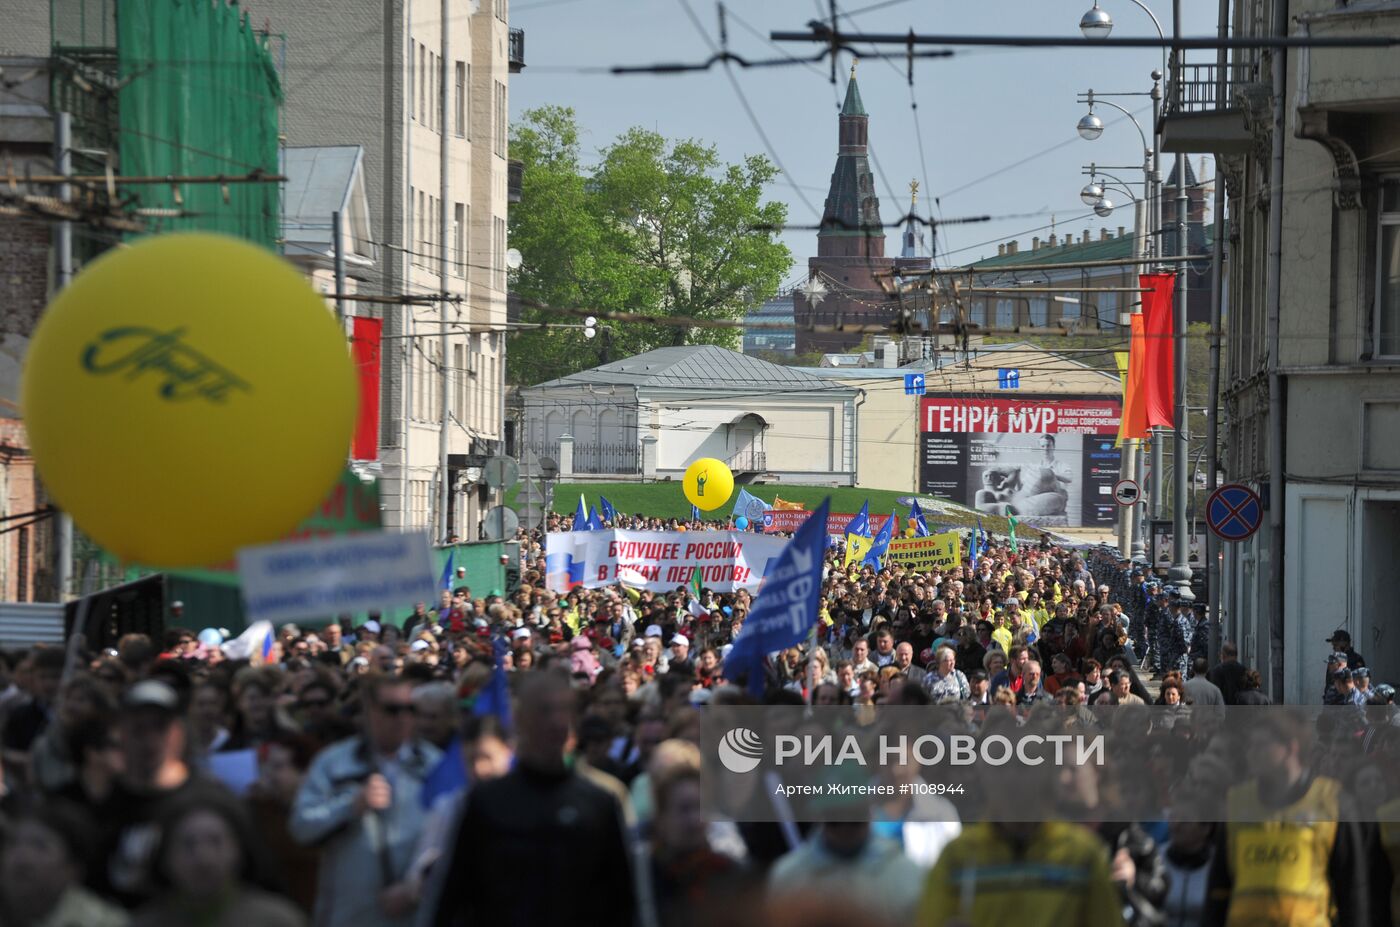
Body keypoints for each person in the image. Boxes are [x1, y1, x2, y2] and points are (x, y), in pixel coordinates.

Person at [430, 671, 634, 926]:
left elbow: (623, 904)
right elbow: (452, 898)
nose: (555, 721)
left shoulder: (600, 803)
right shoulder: (485, 802)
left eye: (563, 711)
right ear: (520, 720)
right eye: (544, 710)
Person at [290, 674, 441, 927]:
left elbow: (453, 840)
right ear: (371, 711)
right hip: (350, 915)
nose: (403, 718)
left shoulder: (435, 765)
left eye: (411, 709)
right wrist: (351, 805)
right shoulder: (334, 762)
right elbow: (301, 827)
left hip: (416, 914)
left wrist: (416, 886)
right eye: (392, 709)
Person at [1203, 710, 1380, 926]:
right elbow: (1220, 886)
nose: (1250, 753)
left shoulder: (1333, 803)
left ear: (1290, 748)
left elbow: (1352, 889)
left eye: (1261, 745)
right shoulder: (1237, 803)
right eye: (1250, 745)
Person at [134, 792, 304, 927]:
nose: (203, 858)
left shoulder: (278, 921)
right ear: (165, 857)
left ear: (238, 849)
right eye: (188, 844)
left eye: (216, 842)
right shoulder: (144, 923)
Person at [917, 821, 1125, 925]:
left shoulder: (1084, 855)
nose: (1015, 779)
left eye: (1026, 765)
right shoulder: (958, 855)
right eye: (1002, 766)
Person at [0, 802, 128, 927]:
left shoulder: (104, 922)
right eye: (12, 843)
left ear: (73, 869)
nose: (21, 856)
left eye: (40, 846)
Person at [1159, 819, 1215, 927]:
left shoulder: (1218, 864)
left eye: (1185, 821)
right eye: (1173, 818)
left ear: (1206, 828)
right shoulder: (1154, 858)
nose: (1175, 826)